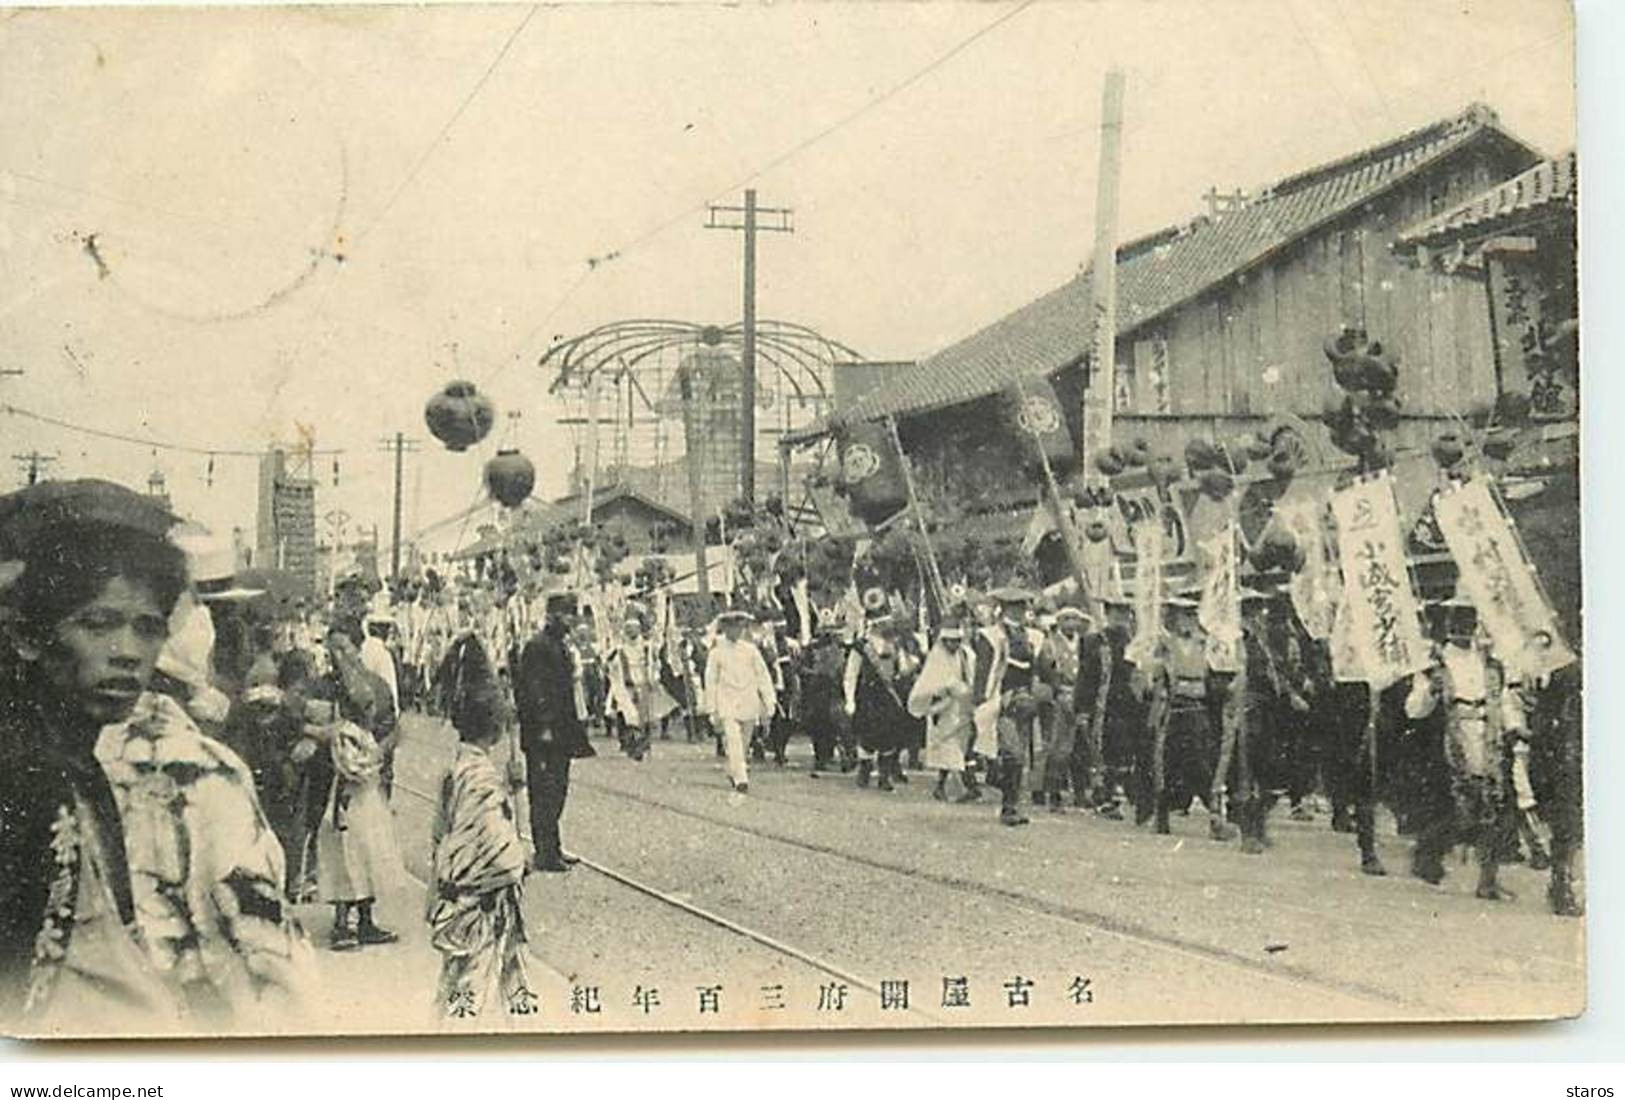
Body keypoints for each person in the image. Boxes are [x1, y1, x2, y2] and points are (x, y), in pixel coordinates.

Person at [0, 479, 312, 1032]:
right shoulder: (26, 770)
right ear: (28, 636)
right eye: (97, 624)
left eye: (147, 629)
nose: (126, 653)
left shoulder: (73, 758)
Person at [426, 634, 538, 1022]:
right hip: (481, 909)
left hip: (462, 905)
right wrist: (522, 853)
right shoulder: (481, 779)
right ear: (495, 727)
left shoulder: (460, 769)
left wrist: (515, 787)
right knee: (474, 1003)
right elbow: (503, 858)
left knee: (469, 995)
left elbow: (441, 836)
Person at [1404, 595, 1523, 901]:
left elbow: (1503, 699)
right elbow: (1414, 709)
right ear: (1447, 623)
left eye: (1469, 619)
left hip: (1489, 739)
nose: (1464, 626)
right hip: (1451, 740)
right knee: (1455, 809)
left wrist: (1513, 726)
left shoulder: (1491, 663)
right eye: (1457, 619)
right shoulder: (1435, 664)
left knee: (1495, 808)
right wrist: (1431, 691)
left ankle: (1488, 879)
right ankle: (1428, 854)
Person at [312, 627, 404, 951]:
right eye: (332, 648)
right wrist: (335, 736)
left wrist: (375, 751)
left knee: (368, 846)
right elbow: (309, 726)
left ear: (358, 647)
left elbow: (393, 728)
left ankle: (365, 919)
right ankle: (341, 921)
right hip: (333, 779)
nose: (339, 655)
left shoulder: (377, 686)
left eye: (344, 647)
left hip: (368, 779)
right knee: (340, 848)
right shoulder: (323, 687)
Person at [514, 593, 595, 872]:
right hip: (543, 734)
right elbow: (534, 691)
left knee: (558, 789)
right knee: (544, 792)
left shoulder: (559, 645)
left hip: (560, 733)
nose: (572, 620)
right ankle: (545, 853)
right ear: (552, 616)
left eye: (573, 614)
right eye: (567, 614)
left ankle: (553, 846)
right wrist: (545, 726)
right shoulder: (537, 647)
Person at [843, 597, 914, 792]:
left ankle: (884, 775)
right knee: (867, 734)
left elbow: (903, 667)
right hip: (868, 695)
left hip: (889, 695)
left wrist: (909, 665)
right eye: (883, 621)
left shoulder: (894, 644)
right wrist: (849, 700)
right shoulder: (861, 645)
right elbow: (851, 674)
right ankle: (864, 769)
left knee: (889, 734)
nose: (887, 624)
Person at [703, 608, 776, 794]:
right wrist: (711, 708)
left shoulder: (750, 650)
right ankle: (741, 779)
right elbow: (710, 680)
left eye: (738, 627)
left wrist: (769, 701)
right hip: (727, 701)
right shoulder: (716, 652)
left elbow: (762, 676)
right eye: (730, 627)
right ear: (724, 628)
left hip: (748, 700)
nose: (734, 631)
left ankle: (733, 770)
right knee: (733, 739)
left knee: (744, 742)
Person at [909, 610, 979, 802]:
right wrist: (947, 689)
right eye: (950, 641)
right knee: (947, 749)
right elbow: (931, 683)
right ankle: (951, 786)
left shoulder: (966, 655)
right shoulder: (936, 657)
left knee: (963, 749)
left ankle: (964, 786)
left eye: (957, 641)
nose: (953, 645)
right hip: (944, 709)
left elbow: (972, 676)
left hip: (963, 708)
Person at [1034, 606, 1086, 813]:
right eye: (1067, 619)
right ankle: (1052, 793)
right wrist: (1057, 690)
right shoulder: (1051, 644)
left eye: (1075, 619)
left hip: (1080, 696)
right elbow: (1044, 669)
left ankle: (1081, 793)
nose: (1072, 623)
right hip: (1059, 697)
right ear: (1060, 622)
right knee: (1057, 747)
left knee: (1081, 747)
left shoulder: (1084, 643)